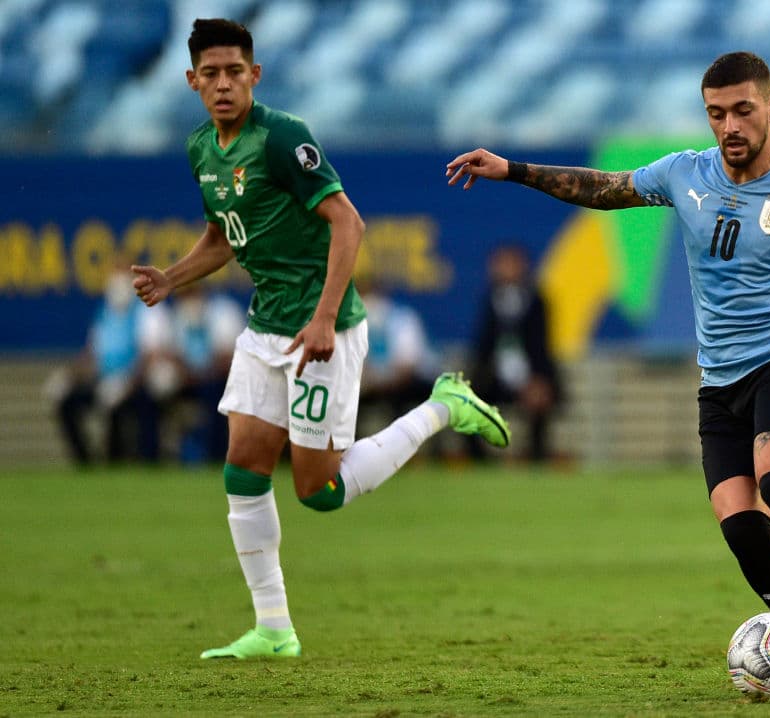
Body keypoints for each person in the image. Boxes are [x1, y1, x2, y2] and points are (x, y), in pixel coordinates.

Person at [446, 52, 770, 693]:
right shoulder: (684, 174)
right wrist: (513, 170)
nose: (730, 126)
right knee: (744, 530)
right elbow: (604, 189)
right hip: (718, 383)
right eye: (717, 113)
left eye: (743, 111)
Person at [131, 18, 510, 660]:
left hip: (323, 329)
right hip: (266, 325)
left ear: (255, 75)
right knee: (243, 466)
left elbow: (348, 222)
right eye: (211, 74)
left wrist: (327, 316)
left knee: (320, 492)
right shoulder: (202, 149)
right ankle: (274, 628)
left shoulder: (281, 137)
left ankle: (444, 405)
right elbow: (224, 236)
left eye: (235, 72)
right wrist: (171, 277)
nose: (224, 85)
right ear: (192, 81)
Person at [50, 262, 157, 465]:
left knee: (122, 407)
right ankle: (85, 462)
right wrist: (68, 376)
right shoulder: (104, 314)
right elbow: (92, 356)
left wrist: (126, 384)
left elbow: (149, 357)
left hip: (134, 384)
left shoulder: (146, 311)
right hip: (104, 382)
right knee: (68, 403)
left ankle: (116, 461)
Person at [469, 243, 562, 462]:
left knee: (540, 401)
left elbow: (542, 345)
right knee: (468, 401)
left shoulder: (536, 300)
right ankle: (480, 460)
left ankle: (537, 457)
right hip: (497, 377)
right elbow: (483, 346)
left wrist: (539, 379)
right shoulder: (490, 300)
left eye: (510, 264)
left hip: (531, 375)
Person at [135, 283, 247, 462]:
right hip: (185, 380)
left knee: (215, 393)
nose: (188, 300)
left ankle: (215, 455)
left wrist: (200, 371)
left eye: (192, 293)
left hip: (216, 379)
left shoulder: (223, 312)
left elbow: (229, 357)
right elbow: (166, 352)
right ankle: (151, 456)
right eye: (184, 295)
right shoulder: (175, 317)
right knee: (148, 394)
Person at [357, 276, 439, 436]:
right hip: (372, 384)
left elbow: (407, 367)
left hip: (405, 383)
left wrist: (378, 382)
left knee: (398, 400)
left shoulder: (402, 318)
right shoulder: (354, 323)